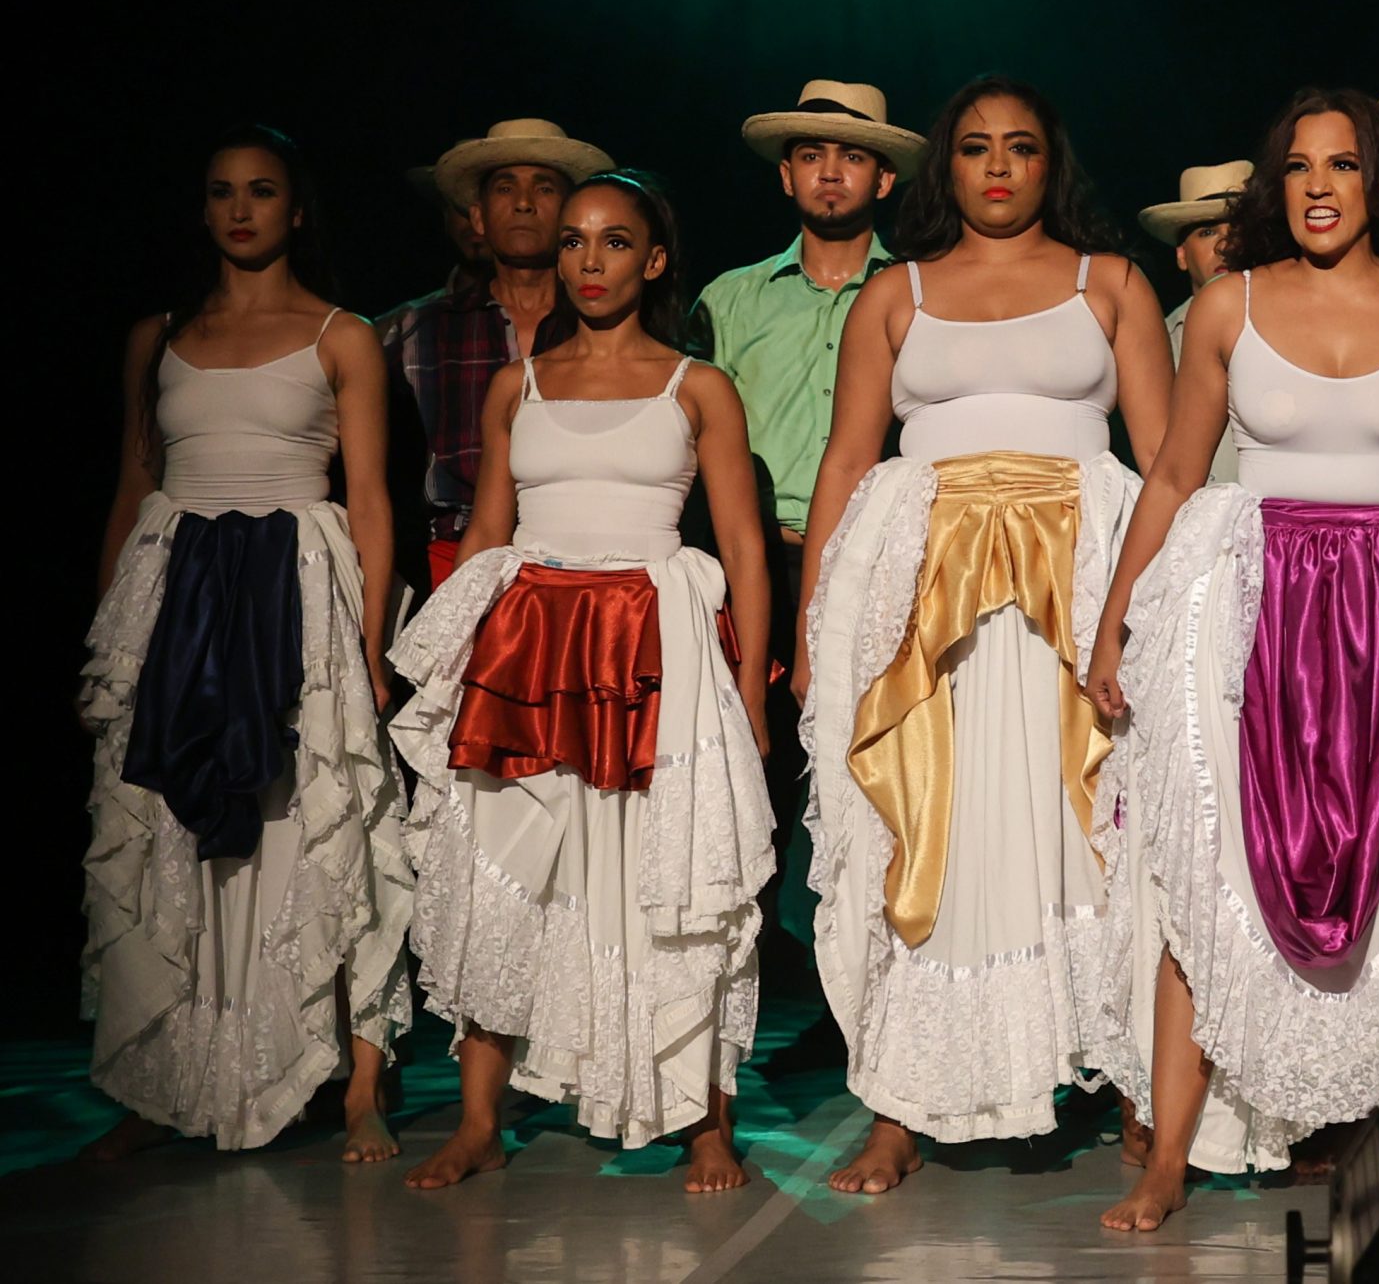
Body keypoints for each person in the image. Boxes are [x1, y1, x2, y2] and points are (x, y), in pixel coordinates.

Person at [1086, 89, 1379, 1232]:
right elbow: (1172, 475)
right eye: (1297, 167)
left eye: (1341, 165)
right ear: (1273, 185)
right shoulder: (1224, 306)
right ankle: (1167, 1161)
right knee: (1209, 875)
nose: (1318, 185)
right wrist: (1114, 622)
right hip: (1253, 614)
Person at [796, 76, 1173, 1194]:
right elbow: (845, 461)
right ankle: (902, 1100)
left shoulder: (1111, 284)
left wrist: (1170, 611)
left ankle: (1137, 1081)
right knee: (930, 821)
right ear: (943, 168)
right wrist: (820, 620)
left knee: (1094, 819)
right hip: (929, 590)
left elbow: (1167, 463)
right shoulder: (894, 296)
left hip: (1082, 575)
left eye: (1020, 147)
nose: (998, 166)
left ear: (1052, 164)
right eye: (974, 147)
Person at [390, 171, 776, 1192]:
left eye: (613, 242)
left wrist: (750, 694)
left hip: (658, 645)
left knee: (671, 871)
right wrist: (446, 662)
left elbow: (741, 543)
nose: (588, 261)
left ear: (652, 261)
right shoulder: (518, 382)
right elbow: (484, 532)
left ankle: (702, 1120)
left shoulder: (698, 386)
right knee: (500, 867)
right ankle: (479, 1116)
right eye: (572, 242)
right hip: (529, 642)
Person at [82, 124, 411, 1163]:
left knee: (317, 818)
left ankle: (354, 1081)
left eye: (262, 189)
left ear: (296, 207)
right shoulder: (159, 335)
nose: (240, 208)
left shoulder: (341, 334)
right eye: (222, 190)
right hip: (176, 593)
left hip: (292, 591)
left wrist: (366, 647)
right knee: (167, 826)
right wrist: (111, 641)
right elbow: (135, 485)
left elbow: (368, 498)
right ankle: (159, 1078)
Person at [693, 80, 921, 964]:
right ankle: (730, 987)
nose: (832, 173)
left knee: (863, 769)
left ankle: (856, 988)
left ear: (886, 180)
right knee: (739, 769)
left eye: (853, 156)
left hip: (872, 563)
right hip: (751, 559)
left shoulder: (916, 296)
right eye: (813, 156)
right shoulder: (731, 300)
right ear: (786, 176)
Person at [380, 120, 612, 588]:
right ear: (479, 217)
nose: (524, 203)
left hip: (580, 564)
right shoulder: (413, 331)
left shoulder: (608, 326)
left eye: (544, 188)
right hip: (448, 558)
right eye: (505, 188)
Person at [1140, 160, 1252, 483]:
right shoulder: (1156, 345)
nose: (1224, 244)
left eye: (1238, 229)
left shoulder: (1297, 330)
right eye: (1207, 231)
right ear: (1181, 255)